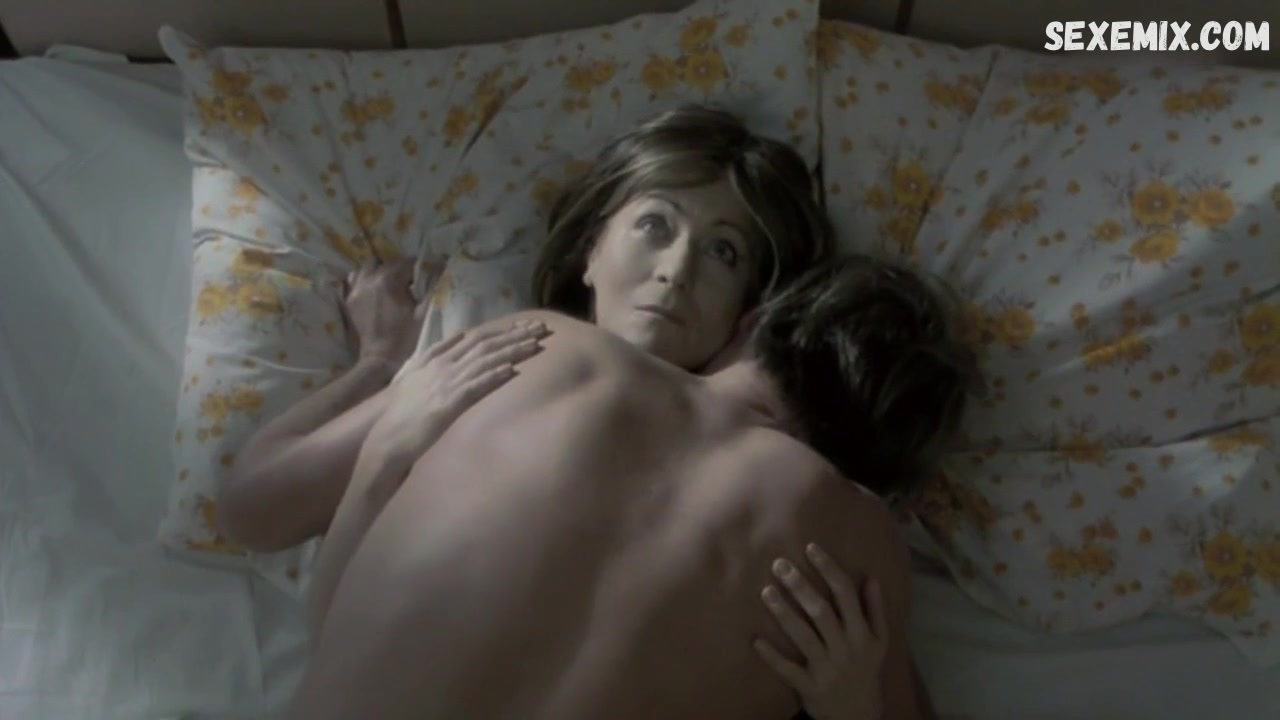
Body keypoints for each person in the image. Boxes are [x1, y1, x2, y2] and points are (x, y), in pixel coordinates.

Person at [292, 254, 972, 719]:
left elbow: (314, 602)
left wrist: (377, 427)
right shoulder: (852, 542)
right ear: (885, 469)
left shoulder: (537, 344)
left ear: (753, 321)